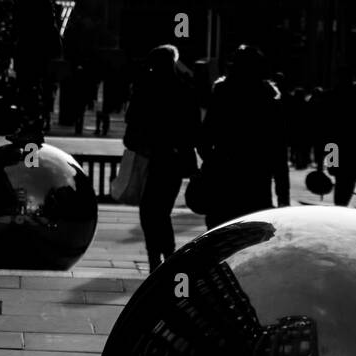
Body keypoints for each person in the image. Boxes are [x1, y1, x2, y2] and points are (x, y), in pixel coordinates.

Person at [123, 45, 201, 270]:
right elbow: (194, 130)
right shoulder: (185, 89)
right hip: (173, 161)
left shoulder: (144, 88)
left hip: (149, 159)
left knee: (149, 212)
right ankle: (167, 258)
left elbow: (131, 131)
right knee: (162, 212)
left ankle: (155, 259)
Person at [199, 45, 289, 229]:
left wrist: (212, 163)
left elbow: (205, 137)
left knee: (220, 235)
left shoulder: (222, 92)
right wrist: (282, 195)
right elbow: (278, 148)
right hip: (257, 178)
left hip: (224, 177)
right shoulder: (269, 97)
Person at [321, 67, 356, 206]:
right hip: (355, 144)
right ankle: (342, 204)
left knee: (337, 173)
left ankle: (339, 204)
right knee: (350, 176)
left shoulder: (331, 95)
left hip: (333, 144)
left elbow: (323, 123)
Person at [11, 0, 63, 140]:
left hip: (31, 49)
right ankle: (32, 127)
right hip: (36, 49)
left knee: (28, 89)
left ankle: (31, 127)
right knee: (31, 89)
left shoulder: (32, 8)